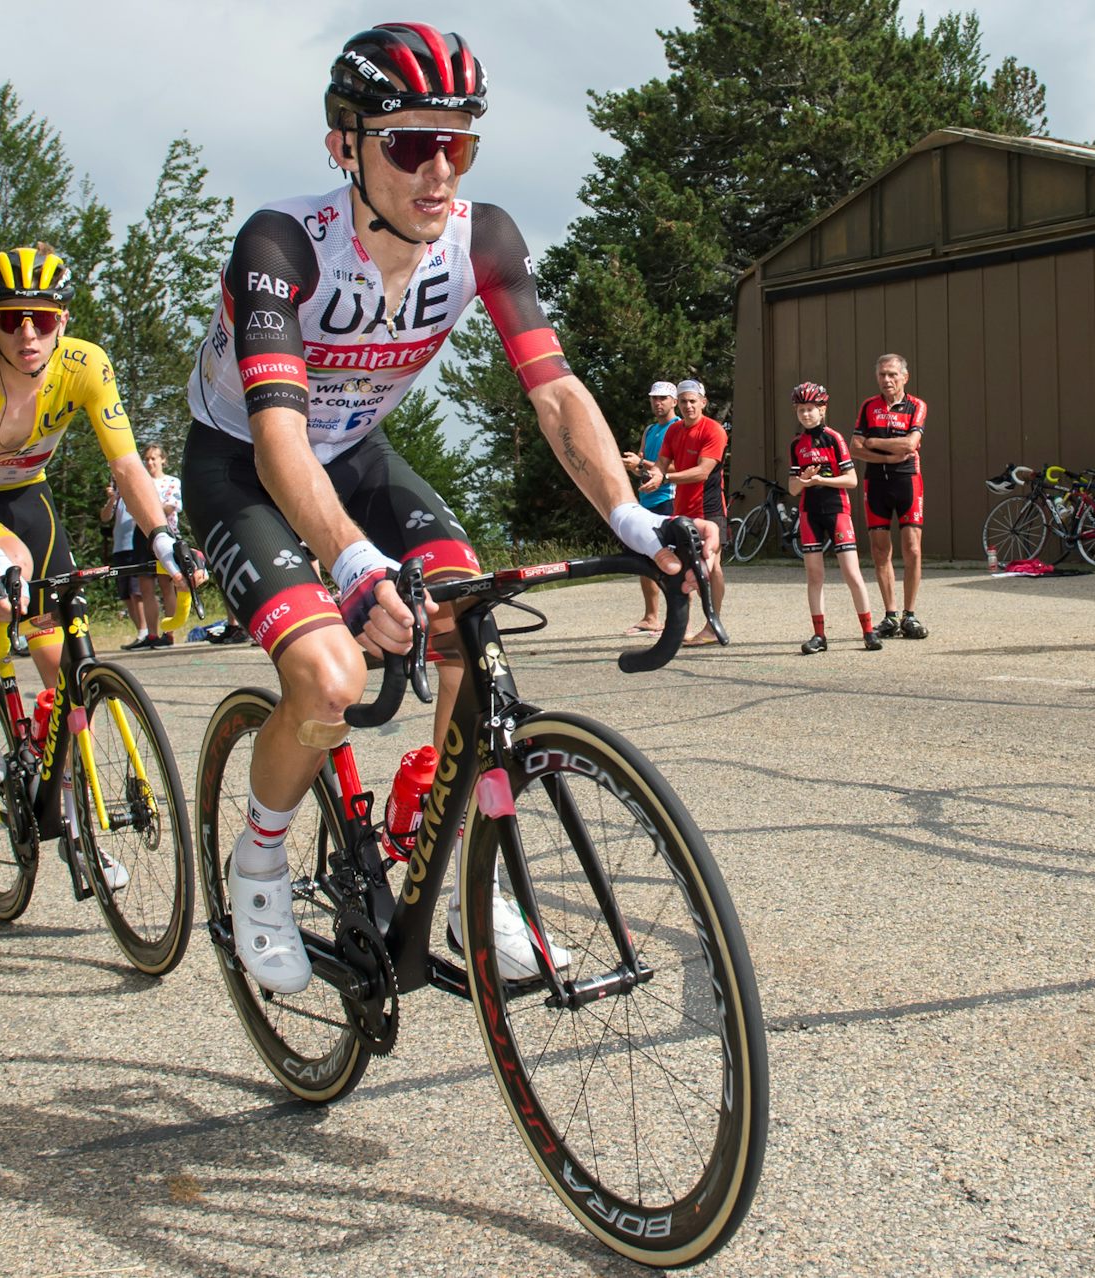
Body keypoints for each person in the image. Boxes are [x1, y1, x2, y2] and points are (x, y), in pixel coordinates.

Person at [181, 22, 720, 995]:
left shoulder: (484, 240)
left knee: (471, 618)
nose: (439, 172)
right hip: (247, 463)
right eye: (410, 144)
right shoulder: (278, 245)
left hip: (357, 457)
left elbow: (555, 395)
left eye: (459, 143)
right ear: (345, 144)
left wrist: (637, 523)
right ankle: (258, 862)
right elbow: (278, 441)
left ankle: (462, 860)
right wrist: (349, 564)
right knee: (330, 677)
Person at [0, 244, 191, 788]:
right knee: (7, 566)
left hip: (26, 495)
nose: (28, 336)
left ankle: (70, 809)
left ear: (62, 319)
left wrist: (161, 537)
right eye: (10, 320)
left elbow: (128, 466)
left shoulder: (87, 364)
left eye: (41, 318)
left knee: (60, 658)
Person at [786, 383, 882, 654]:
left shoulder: (834, 438)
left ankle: (868, 631)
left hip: (837, 510)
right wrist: (805, 480)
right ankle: (819, 636)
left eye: (811, 409)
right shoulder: (797, 444)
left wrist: (822, 480)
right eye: (801, 410)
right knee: (814, 576)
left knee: (851, 572)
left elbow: (851, 480)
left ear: (822, 410)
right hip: (810, 513)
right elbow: (793, 488)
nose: (806, 415)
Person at [643, 379, 727, 645]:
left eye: (693, 401)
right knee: (679, 569)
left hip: (709, 508)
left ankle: (713, 625)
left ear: (703, 402)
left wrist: (664, 478)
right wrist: (652, 475)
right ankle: (681, 626)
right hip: (681, 510)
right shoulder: (674, 430)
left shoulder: (713, 430)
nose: (688, 406)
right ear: (677, 404)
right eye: (683, 401)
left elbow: (702, 472)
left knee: (709, 567)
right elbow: (661, 464)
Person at [850, 353, 928, 639]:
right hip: (876, 483)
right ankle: (890, 615)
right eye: (882, 374)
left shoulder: (916, 405)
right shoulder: (868, 406)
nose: (887, 379)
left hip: (907, 480)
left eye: (893, 374)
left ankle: (910, 615)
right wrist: (887, 453)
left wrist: (874, 441)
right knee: (880, 551)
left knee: (913, 548)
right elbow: (855, 447)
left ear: (904, 377)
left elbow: (911, 443)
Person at [620, 381, 679, 635]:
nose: (658, 403)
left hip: (669, 499)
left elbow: (678, 467)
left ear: (674, 401)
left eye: (663, 398)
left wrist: (641, 462)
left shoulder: (678, 428)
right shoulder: (650, 429)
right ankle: (651, 617)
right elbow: (644, 468)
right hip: (646, 502)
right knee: (644, 560)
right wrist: (633, 466)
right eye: (654, 398)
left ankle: (674, 619)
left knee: (670, 560)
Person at [131, 442, 185, 648]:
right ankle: (151, 634)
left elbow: (171, 508)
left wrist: (149, 509)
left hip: (166, 532)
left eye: (154, 458)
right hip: (141, 534)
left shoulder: (172, 482)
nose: (150, 462)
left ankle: (169, 633)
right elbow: (133, 508)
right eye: (147, 459)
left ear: (163, 459)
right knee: (146, 586)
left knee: (167, 584)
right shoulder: (140, 482)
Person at [100, 477, 150, 649]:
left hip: (135, 546)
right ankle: (140, 632)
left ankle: (146, 631)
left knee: (137, 592)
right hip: (119, 548)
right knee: (126, 595)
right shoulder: (117, 498)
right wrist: (112, 499)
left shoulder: (135, 492)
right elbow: (105, 517)